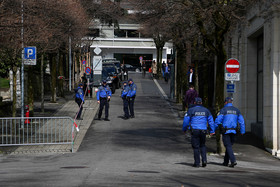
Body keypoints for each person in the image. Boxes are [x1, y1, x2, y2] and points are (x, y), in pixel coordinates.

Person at [182, 97, 215, 168]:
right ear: (201, 103)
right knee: (202, 145)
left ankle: (197, 163)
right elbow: (211, 121)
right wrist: (212, 131)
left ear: (194, 103)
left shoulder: (191, 110)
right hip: (203, 131)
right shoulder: (206, 110)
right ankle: (204, 160)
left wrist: (184, 129)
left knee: (196, 147)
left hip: (195, 131)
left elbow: (186, 121)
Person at [213, 97, 245, 168]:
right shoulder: (237, 110)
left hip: (226, 131)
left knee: (228, 146)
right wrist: (242, 131)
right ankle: (225, 162)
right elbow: (242, 122)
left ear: (226, 102)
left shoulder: (223, 110)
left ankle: (233, 161)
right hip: (234, 131)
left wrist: (213, 130)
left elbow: (217, 121)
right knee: (229, 146)